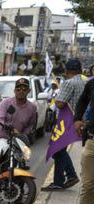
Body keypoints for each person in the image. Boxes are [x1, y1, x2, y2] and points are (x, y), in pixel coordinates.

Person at [43, 58, 84, 191]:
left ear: (66, 71)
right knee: (59, 150)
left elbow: (60, 103)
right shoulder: (85, 81)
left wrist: (59, 95)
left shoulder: (68, 83)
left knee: (57, 149)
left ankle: (69, 176)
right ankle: (61, 180)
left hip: (69, 120)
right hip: (82, 119)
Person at [0, 78, 37, 162]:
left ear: (28, 91)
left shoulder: (32, 108)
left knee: (21, 160)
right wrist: (11, 129)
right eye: (18, 89)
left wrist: (23, 134)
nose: (21, 91)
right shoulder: (6, 102)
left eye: (24, 89)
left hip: (14, 140)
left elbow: (30, 124)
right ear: (14, 91)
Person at [72, 74, 94, 204]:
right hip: (92, 141)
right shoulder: (91, 84)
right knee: (88, 184)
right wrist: (77, 119)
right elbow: (81, 101)